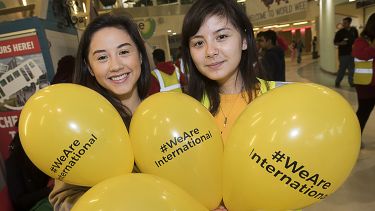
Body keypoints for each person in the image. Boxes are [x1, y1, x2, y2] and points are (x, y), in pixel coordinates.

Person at [48, 13, 151, 210]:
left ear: (139, 54)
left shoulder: (164, 114)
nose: (115, 66)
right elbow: (62, 199)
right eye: (102, 57)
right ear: (90, 68)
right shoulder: (82, 127)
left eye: (124, 52)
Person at [181, 0, 280, 146]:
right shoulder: (188, 110)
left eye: (221, 37)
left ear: (244, 41)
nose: (210, 51)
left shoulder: (278, 98)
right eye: (199, 43)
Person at [5, 129, 54, 211]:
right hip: (34, 206)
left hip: (49, 197)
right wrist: (48, 190)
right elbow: (20, 201)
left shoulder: (41, 154)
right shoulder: (14, 163)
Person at [352, 13, 375, 149]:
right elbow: (362, 54)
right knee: (364, 112)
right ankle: (355, 138)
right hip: (365, 84)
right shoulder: (361, 40)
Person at [334, 16, 359, 88]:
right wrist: (341, 43)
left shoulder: (354, 30)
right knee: (342, 69)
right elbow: (335, 43)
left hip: (352, 53)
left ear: (349, 23)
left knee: (352, 69)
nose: (343, 24)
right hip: (343, 54)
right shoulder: (339, 32)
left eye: (345, 23)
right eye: (343, 23)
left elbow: (357, 40)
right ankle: (337, 82)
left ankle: (351, 82)